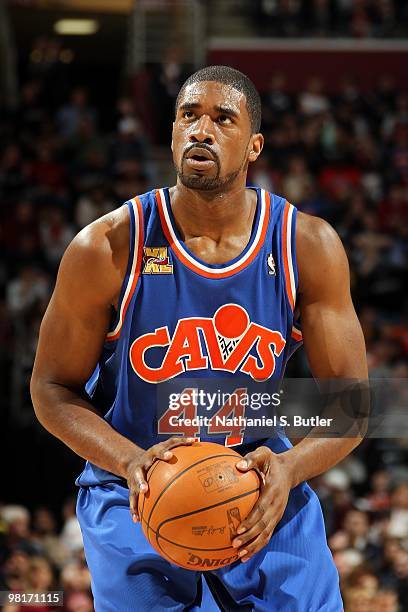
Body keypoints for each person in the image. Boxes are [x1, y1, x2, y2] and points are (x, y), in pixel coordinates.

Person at [31, 66, 368, 611]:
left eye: (222, 119)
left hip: (258, 478)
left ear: (254, 145)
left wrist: (289, 468)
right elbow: (50, 388)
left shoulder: (306, 244)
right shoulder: (107, 247)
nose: (201, 130)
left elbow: (350, 405)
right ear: (171, 133)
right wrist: (128, 462)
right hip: (136, 486)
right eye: (188, 115)